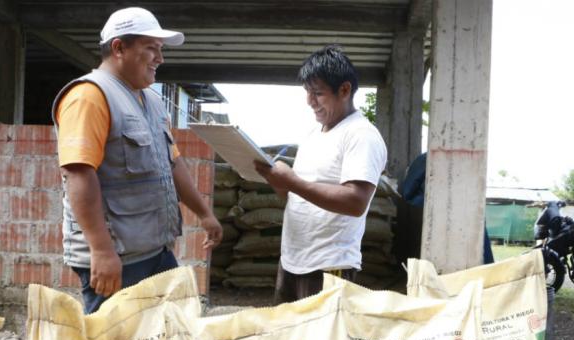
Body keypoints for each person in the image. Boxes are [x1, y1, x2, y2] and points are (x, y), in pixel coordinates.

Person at [52, 7, 222, 313]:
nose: (160, 58)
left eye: (160, 50)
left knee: (167, 337)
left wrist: (204, 213)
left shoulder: (152, 101)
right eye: (151, 49)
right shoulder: (88, 96)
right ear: (119, 48)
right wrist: (101, 250)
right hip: (116, 256)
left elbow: (172, 164)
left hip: (155, 250)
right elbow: (79, 175)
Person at [254, 45, 387, 303]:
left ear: (345, 90)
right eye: (307, 92)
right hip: (293, 261)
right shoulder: (316, 134)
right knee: (290, 338)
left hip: (329, 267)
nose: (310, 101)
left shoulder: (361, 135)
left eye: (317, 93)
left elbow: (356, 201)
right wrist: (277, 181)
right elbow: (298, 194)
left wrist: (293, 181)